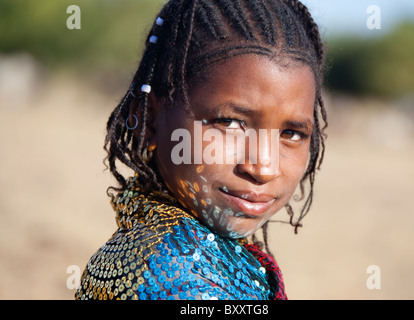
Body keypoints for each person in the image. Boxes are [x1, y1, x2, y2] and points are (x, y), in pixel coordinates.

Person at [75, 0, 327, 300]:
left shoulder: (177, 248)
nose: (264, 168)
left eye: (291, 133)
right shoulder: (179, 281)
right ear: (149, 120)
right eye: (231, 123)